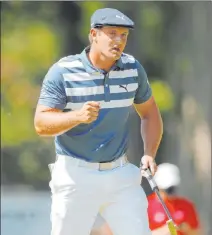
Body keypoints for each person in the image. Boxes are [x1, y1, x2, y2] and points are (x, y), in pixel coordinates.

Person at [34, 8, 163, 235]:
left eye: (124, 35)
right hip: (75, 174)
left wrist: (149, 153)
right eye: (112, 33)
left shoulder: (132, 69)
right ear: (93, 35)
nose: (119, 41)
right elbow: (41, 123)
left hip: (120, 173)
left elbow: (150, 113)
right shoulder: (63, 72)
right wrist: (77, 116)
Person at [149, 163, 202, 235]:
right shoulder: (146, 204)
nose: (171, 191)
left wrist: (186, 229)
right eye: (167, 189)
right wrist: (163, 231)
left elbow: (197, 232)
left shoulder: (186, 205)